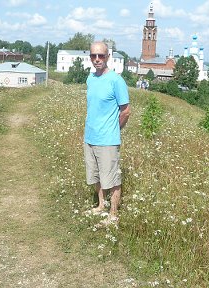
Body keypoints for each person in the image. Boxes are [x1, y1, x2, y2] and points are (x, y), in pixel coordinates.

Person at [84, 41, 130, 226]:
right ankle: (101, 205)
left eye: (101, 56)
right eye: (93, 56)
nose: (97, 59)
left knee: (111, 178)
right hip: (90, 137)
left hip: (108, 140)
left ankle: (113, 215)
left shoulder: (116, 81)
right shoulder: (90, 79)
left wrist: (113, 129)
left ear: (107, 57)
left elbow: (126, 111)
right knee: (95, 176)